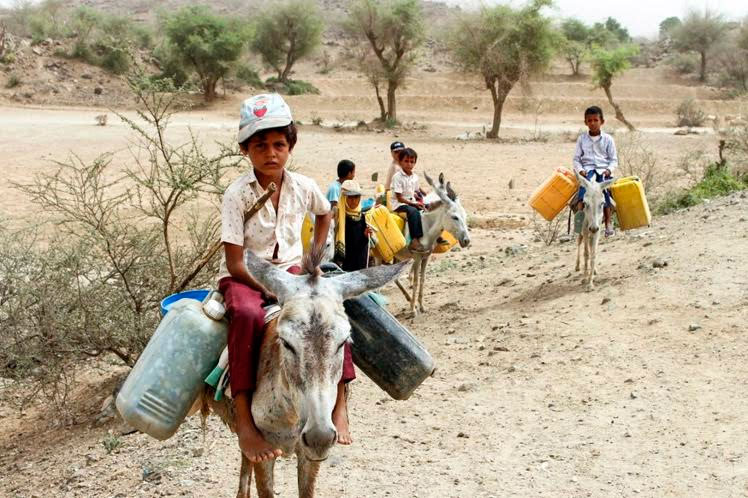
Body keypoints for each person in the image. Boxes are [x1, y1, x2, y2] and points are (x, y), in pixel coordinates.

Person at [218, 93, 356, 464]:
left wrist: (315, 253)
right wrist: (275, 289)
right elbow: (234, 261)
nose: (270, 153)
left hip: (294, 275)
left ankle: (339, 403)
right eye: (260, 145)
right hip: (246, 278)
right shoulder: (236, 194)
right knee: (247, 318)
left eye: (279, 144)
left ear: (290, 146)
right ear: (246, 150)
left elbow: (325, 213)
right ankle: (246, 421)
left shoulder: (303, 186)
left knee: (333, 316)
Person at [573, 105, 618, 236]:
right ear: (585, 122)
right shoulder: (582, 139)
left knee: (605, 196)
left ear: (602, 122)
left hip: (603, 171)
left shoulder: (608, 139)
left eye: (595, 120)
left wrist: (609, 170)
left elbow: (613, 159)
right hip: (587, 172)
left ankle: (608, 224)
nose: (592, 123)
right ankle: (578, 226)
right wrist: (580, 170)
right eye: (589, 120)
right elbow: (576, 159)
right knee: (582, 196)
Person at [391, 147, 429, 253]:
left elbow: (417, 189)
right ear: (400, 162)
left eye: (412, 162)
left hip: (411, 201)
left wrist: (427, 196)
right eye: (406, 161)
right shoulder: (397, 177)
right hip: (399, 204)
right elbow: (399, 197)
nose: (409, 164)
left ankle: (432, 235)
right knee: (413, 212)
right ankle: (414, 240)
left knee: (430, 208)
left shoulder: (415, 177)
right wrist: (414, 204)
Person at [333, 180, 373, 271]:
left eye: (356, 197)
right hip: (347, 262)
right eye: (350, 198)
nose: (354, 201)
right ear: (344, 198)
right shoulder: (339, 217)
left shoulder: (361, 216)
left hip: (361, 260)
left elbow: (361, 242)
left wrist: (366, 236)